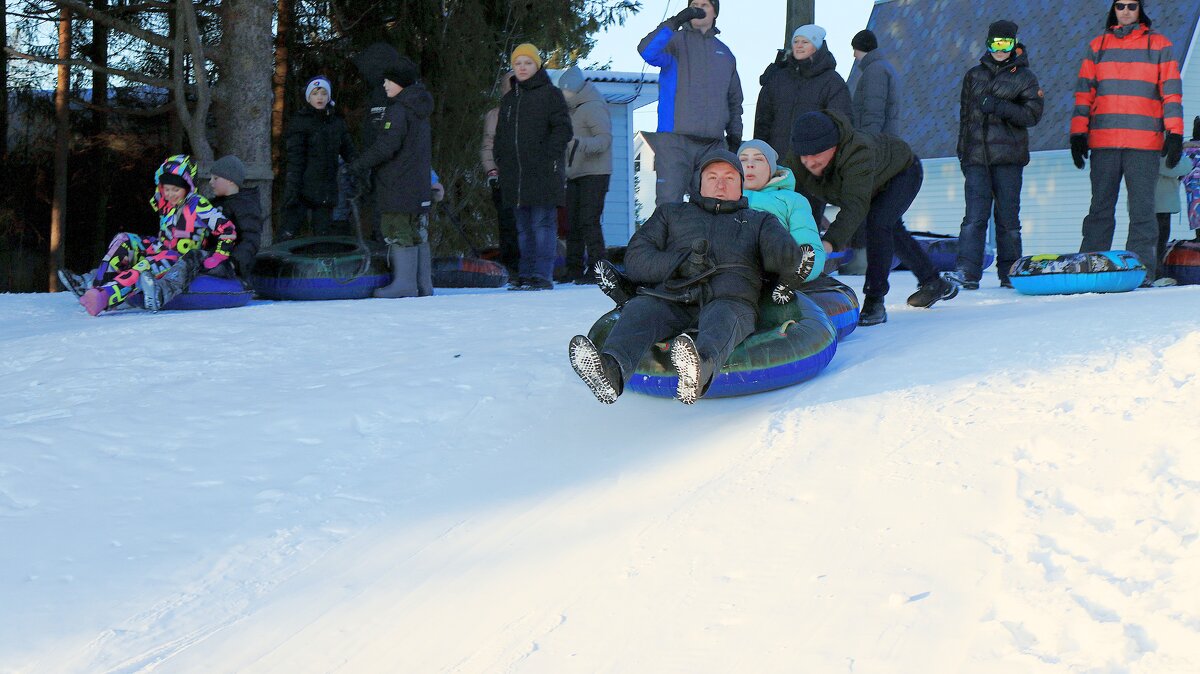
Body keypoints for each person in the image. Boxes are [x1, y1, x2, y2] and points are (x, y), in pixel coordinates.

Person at [567, 150, 817, 405]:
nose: (720, 184)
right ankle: (611, 371)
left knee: (722, 319)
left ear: (741, 185)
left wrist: (792, 262)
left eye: (730, 178)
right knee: (640, 310)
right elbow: (637, 257)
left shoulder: (759, 220)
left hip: (730, 299)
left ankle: (697, 371)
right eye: (712, 177)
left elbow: (780, 252)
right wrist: (677, 265)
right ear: (700, 183)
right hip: (671, 297)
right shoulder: (671, 214)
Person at [790, 110, 958, 326]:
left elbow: (854, 207)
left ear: (833, 146)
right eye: (804, 156)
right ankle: (934, 282)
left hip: (902, 172)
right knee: (893, 232)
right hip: (872, 182)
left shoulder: (858, 152)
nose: (810, 162)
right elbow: (791, 197)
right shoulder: (798, 160)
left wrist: (828, 243)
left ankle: (875, 300)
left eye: (817, 154)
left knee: (879, 225)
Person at [1071, 0, 1184, 283]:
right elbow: (1084, 93)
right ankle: (1091, 266)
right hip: (1104, 141)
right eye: (1119, 6)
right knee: (1100, 208)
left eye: (1131, 6)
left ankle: (1142, 272)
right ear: (1113, 10)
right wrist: (1077, 133)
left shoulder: (1159, 45)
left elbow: (1171, 94)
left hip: (1144, 144)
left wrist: (1175, 134)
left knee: (1143, 210)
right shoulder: (1097, 46)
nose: (1125, 11)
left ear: (1140, 9)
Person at [69, 154, 236, 315]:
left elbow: (227, 229)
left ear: (188, 187)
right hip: (161, 247)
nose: (170, 194)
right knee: (123, 239)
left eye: (176, 189)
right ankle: (97, 284)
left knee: (146, 265)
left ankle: (105, 297)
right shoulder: (165, 203)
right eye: (167, 189)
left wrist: (219, 256)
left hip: (178, 257)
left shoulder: (198, 204)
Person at [953, 20, 1044, 290]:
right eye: (995, 43)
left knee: (1008, 218)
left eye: (1006, 43)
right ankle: (967, 271)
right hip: (977, 158)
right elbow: (965, 118)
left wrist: (999, 106)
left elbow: (1032, 115)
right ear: (988, 44)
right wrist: (963, 152)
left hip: (1009, 159)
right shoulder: (974, 76)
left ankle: (1010, 271)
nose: (1000, 49)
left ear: (1014, 44)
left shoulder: (1025, 77)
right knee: (974, 217)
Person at [638, 0, 743, 205]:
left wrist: (735, 136)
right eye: (694, 3)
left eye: (705, 4)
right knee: (669, 205)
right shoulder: (674, 42)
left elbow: (734, 100)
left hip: (712, 144)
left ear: (715, 13)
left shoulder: (726, 54)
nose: (698, 7)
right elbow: (646, 51)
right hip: (674, 141)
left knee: (712, 205)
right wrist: (675, 21)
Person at [347, 57, 435, 298]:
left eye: (389, 80)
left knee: (396, 229)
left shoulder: (398, 111)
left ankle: (405, 284)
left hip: (398, 183)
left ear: (401, 82)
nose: (384, 85)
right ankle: (423, 283)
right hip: (416, 184)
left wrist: (357, 166)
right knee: (414, 231)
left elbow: (386, 147)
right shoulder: (419, 109)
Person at [493, 44, 572, 290]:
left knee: (542, 225)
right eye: (518, 63)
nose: (523, 68)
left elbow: (563, 130)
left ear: (537, 65)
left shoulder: (550, 94)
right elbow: (501, 136)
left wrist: (547, 157)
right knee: (523, 229)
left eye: (527, 63)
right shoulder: (509, 100)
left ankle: (542, 275)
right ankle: (525, 274)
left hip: (543, 174)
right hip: (515, 176)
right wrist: (501, 160)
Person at [756, 24, 851, 226]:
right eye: (796, 41)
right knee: (774, 226)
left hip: (814, 172)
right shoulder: (778, 79)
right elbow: (763, 121)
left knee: (806, 227)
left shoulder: (832, 82)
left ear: (817, 46)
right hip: (779, 168)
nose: (799, 46)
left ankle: (808, 259)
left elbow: (841, 126)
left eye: (805, 42)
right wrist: (760, 156)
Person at [279, 76, 357, 240]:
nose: (319, 97)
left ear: (329, 96)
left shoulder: (337, 123)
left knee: (322, 239)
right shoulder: (300, 122)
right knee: (287, 235)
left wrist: (360, 170)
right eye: (315, 93)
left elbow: (349, 151)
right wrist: (292, 188)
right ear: (309, 97)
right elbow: (295, 159)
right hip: (300, 189)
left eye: (323, 93)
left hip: (325, 191)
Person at [556, 66, 614, 284]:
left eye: (565, 92)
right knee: (572, 223)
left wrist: (578, 144)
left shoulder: (593, 107)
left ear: (575, 90)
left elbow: (604, 140)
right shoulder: (572, 110)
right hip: (575, 174)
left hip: (596, 173)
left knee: (589, 221)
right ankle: (573, 269)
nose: (563, 96)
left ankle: (598, 269)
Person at [738, 139, 825, 279]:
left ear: (771, 169)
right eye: (743, 160)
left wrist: (800, 271)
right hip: (732, 268)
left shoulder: (792, 200)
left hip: (774, 270)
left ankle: (792, 274)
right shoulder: (725, 198)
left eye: (759, 159)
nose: (750, 165)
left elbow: (810, 245)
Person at [480, 71, 520, 276]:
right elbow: (488, 145)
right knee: (506, 223)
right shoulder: (495, 115)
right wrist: (492, 171)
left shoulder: (532, 111)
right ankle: (510, 266)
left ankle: (527, 266)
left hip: (526, 177)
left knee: (528, 223)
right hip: (503, 177)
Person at [208, 154, 263, 279]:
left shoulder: (245, 206)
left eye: (215, 178)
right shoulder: (212, 204)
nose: (211, 182)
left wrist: (234, 263)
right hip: (210, 259)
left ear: (230, 180)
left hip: (231, 267)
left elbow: (251, 238)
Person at [848, 29, 901, 137]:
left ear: (861, 48)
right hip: (884, 139)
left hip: (876, 141)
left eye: (855, 49)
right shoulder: (882, 67)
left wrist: (868, 141)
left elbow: (874, 110)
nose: (854, 55)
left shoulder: (874, 70)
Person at [1153, 156, 1190, 283]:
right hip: (1160, 204)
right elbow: (1175, 167)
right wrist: (1187, 161)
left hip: (1159, 204)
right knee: (1157, 243)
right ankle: (1155, 275)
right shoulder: (1159, 151)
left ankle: (1156, 273)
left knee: (1158, 243)